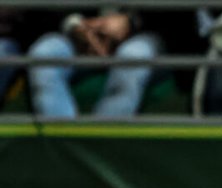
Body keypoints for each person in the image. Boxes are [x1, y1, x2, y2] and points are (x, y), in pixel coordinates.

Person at [26, 8, 193, 118]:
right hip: (78, 34)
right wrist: (74, 24)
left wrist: (131, 21)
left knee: (131, 57)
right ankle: (63, 147)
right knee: (44, 55)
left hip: (146, 32)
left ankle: (100, 148)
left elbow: (179, 15)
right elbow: (40, 11)